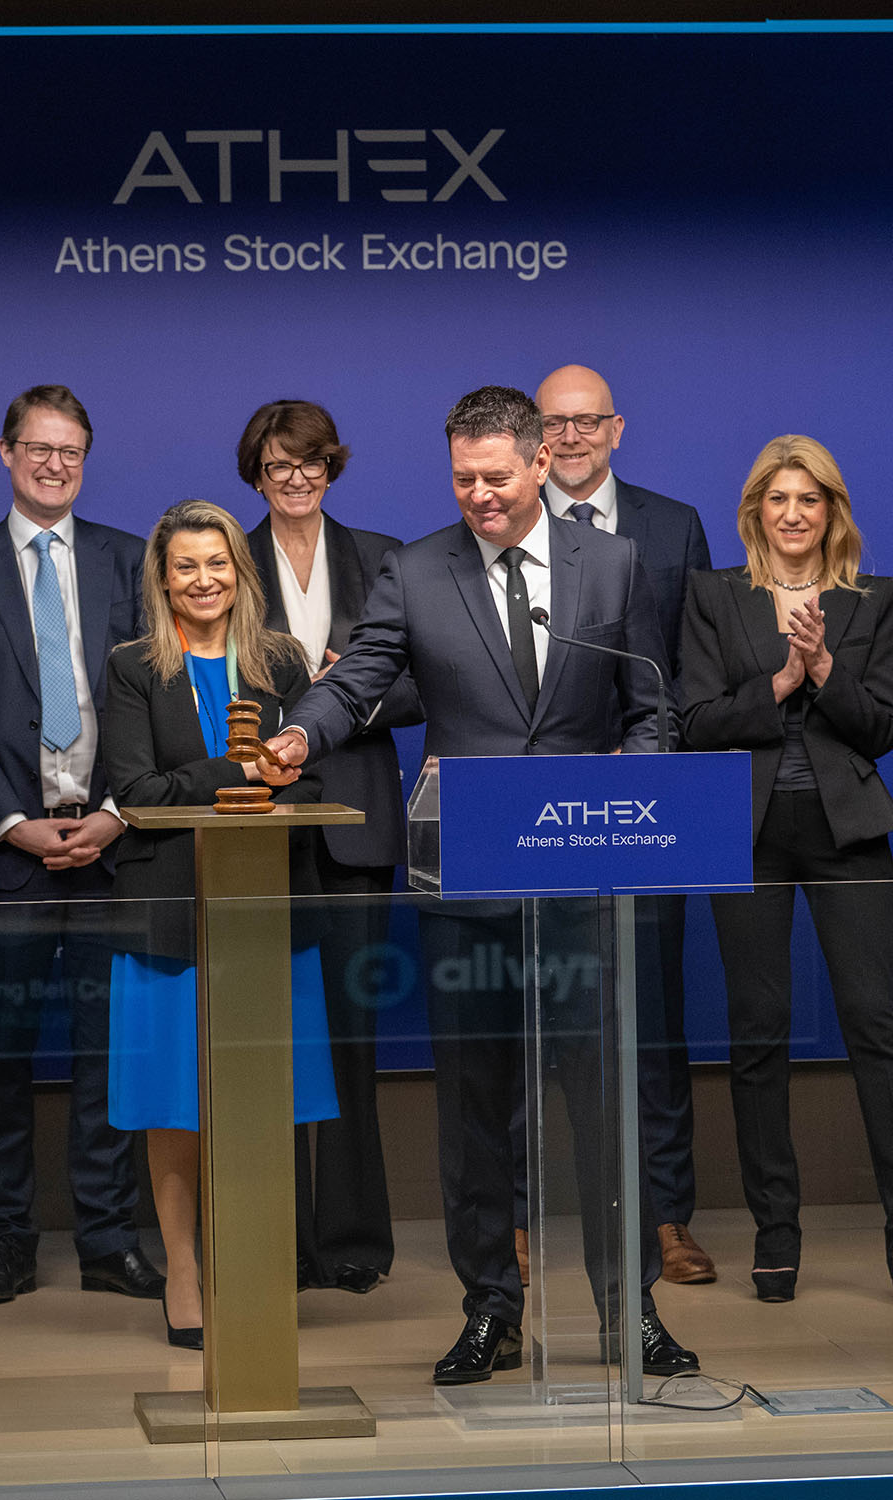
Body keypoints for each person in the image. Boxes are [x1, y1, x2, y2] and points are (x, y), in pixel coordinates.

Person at [258, 386, 699, 1385]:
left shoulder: (613, 564)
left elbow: (650, 705)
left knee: (604, 1104)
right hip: (467, 886)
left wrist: (635, 777)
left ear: (541, 463)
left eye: (496, 477)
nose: (479, 496)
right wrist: (299, 734)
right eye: (462, 479)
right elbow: (357, 677)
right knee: (474, 1112)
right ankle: (490, 1311)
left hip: (585, 883)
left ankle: (628, 1312)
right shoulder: (416, 570)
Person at [0, 385, 162, 1308]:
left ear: (85, 459)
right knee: (1, 1059)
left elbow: (151, 701)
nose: (54, 465)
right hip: (6, 853)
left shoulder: (128, 559)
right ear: (6, 452)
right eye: (38, 448)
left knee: (112, 1054)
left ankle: (108, 1240)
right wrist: (11, 823)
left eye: (70, 451)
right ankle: (6, 1244)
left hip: (111, 846)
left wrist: (114, 812)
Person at [102, 500, 331, 1348]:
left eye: (218, 563)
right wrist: (241, 770)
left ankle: (253, 1264)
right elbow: (137, 792)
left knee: (265, 1098)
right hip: (167, 911)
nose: (204, 580)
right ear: (163, 580)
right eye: (186, 566)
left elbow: (313, 781)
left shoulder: (282, 661)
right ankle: (184, 1273)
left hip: (267, 907)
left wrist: (263, 778)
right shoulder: (133, 667)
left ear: (241, 571)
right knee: (174, 1103)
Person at [681, 434, 893, 1302]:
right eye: (779, 499)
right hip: (748, 832)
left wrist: (827, 671)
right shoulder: (713, 596)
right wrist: (778, 682)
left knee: (877, 1026)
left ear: (831, 511)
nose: (794, 514)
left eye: (810, 499)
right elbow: (695, 721)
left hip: (850, 835)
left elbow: (882, 728)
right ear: (756, 511)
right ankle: (776, 1234)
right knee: (758, 1030)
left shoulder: (875, 600)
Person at [534, 364, 715, 1286]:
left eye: (587, 421)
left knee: (652, 1014)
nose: (571, 437)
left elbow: (692, 665)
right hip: (533, 812)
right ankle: (523, 1221)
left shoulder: (672, 526)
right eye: (554, 423)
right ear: (534, 436)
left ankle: (667, 1217)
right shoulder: (505, 518)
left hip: (645, 808)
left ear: (616, 429)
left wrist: (641, 755)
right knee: (528, 1016)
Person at [240, 399, 424, 1294]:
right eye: (279, 466)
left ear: (332, 467)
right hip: (255, 819)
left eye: (310, 463)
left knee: (350, 1036)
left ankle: (352, 1240)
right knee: (264, 1038)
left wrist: (348, 697)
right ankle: (276, 1237)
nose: (297, 479)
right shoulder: (228, 559)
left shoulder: (383, 557)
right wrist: (293, 707)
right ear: (257, 476)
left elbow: (424, 681)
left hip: (357, 818)